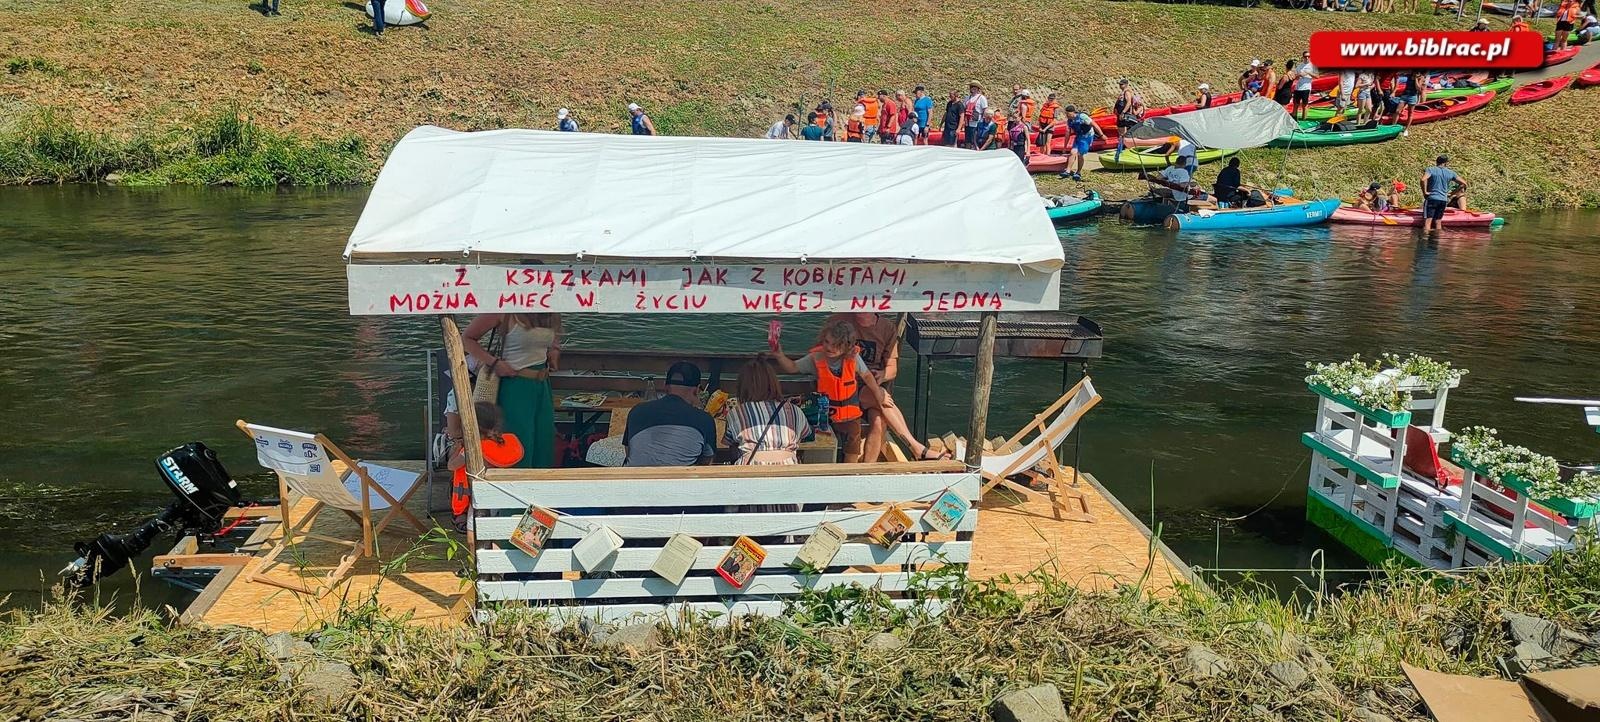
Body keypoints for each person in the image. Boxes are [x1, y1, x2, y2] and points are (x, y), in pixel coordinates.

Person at [769, 318, 945, 463]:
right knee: (880, 404)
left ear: (847, 347)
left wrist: (879, 392)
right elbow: (792, 368)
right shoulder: (817, 357)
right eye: (827, 342)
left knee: (857, 439)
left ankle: (855, 475)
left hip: (850, 412)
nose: (829, 347)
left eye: (836, 345)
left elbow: (868, 376)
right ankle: (916, 448)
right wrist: (779, 354)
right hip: (826, 413)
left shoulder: (853, 358)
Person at [463, 313, 561, 469]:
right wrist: (494, 362)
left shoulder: (549, 308)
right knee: (520, 441)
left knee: (544, 442)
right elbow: (466, 338)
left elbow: (555, 335)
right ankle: (514, 488)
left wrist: (554, 349)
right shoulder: (504, 310)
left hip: (542, 385)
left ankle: (541, 488)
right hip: (514, 385)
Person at [624, 362, 716, 466]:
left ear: (665, 387)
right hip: (678, 481)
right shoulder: (704, 419)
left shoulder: (636, 411)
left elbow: (629, 453)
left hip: (635, 479)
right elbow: (707, 462)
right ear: (697, 390)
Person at [723, 359, 812, 465]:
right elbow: (805, 435)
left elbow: (730, 443)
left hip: (749, 473)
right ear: (774, 383)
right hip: (788, 473)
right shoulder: (796, 411)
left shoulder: (736, 413)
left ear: (743, 386)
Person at [448, 402, 524, 526]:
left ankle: (462, 516)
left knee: (476, 531)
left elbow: (451, 466)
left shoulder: (471, 450)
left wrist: (457, 448)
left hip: (480, 500)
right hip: (505, 497)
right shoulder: (505, 443)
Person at [1057, 104, 1103, 181]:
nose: (1067, 115)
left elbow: (1094, 124)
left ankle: (1078, 172)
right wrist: (1065, 147)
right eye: (1066, 114)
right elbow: (1067, 134)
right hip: (1079, 136)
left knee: (1080, 154)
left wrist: (1101, 135)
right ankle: (1067, 171)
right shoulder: (1069, 121)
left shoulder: (1082, 117)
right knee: (1072, 152)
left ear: (1073, 112)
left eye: (1068, 114)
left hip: (1087, 137)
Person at [1421, 155, 1465, 232]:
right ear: (1446, 163)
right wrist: (1451, 193)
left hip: (1432, 198)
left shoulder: (1431, 170)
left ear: (1436, 161)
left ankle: (1425, 241)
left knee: (1427, 222)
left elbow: (1423, 179)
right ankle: (1437, 240)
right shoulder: (1451, 172)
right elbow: (1464, 183)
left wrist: (1425, 192)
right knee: (1438, 222)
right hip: (1443, 200)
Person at [962, 82, 989, 150]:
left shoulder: (981, 98)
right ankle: (967, 149)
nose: (973, 88)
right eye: (972, 86)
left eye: (975, 87)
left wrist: (983, 121)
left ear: (978, 88)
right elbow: (964, 108)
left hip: (977, 123)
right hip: (967, 122)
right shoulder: (967, 98)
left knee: (974, 139)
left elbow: (985, 110)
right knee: (967, 139)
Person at [1292, 51, 1317, 120]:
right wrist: (1299, 75)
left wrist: (1309, 72)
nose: (1307, 58)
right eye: (1305, 56)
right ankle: (1294, 119)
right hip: (1298, 88)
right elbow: (1295, 77)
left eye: (1308, 56)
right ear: (1303, 57)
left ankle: (1304, 120)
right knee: (1295, 105)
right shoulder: (1300, 66)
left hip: (1306, 88)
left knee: (1304, 105)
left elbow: (1317, 76)